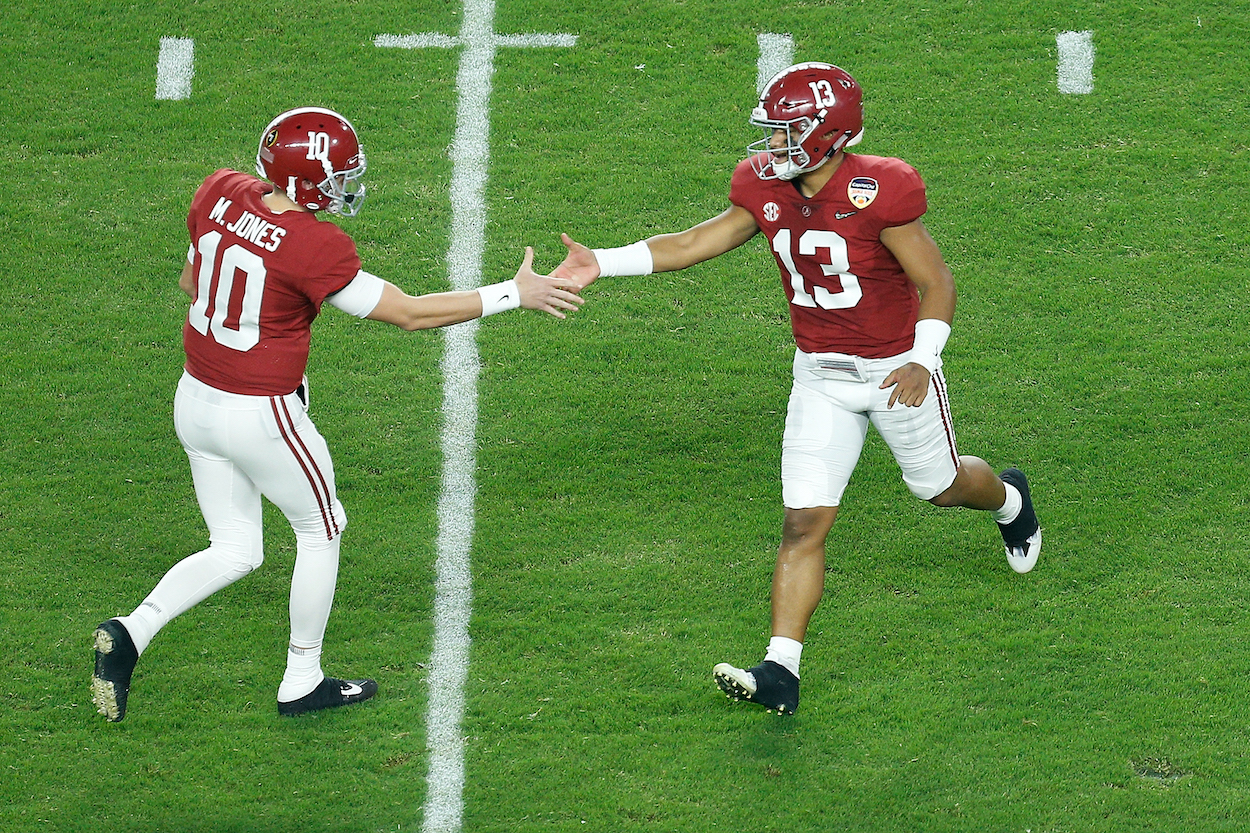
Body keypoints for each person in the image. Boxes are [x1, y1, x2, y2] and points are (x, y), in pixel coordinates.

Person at [550, 63, 1040, 716]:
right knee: (803, 523)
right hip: (820, 374)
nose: (773, 146)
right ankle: (781, 668)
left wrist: (924, 358)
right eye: (773, 132)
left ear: (827, 134)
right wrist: (602, 262)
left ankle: (1009, 498)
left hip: (895, 368)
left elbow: (937, 281)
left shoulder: (879, 188)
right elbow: (699, 240)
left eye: (787, 132)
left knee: (941, 487)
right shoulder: (761, 185)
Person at [91, 106, 583, 722]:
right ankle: (303, 678)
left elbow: (195, 284)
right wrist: (516, 293)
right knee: (321, 529)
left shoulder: (218, 189)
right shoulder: (314, 244)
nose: (346, 182)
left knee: (237, 547)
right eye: (339, 172)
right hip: (262, 411)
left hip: (195, 400)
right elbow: (409, 312)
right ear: (305, 180)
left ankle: (130, 634)